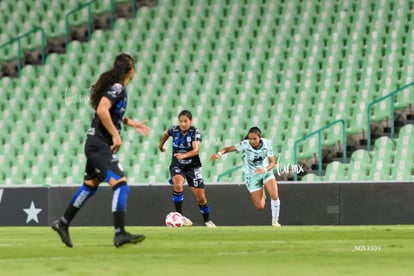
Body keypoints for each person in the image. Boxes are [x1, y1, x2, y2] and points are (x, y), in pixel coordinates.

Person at [52, 53, 150, 247]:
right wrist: (116, 135)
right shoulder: (117, 88)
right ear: (131, 71)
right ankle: (119, 233)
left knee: (89, 186)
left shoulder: (115, 88)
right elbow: (102, 110)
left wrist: (132, 123)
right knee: (121, 185)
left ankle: (62, 223)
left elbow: (112, 113)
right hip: (99, 145)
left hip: (94, 143)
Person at [210, 127, 281, 226]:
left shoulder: (267, 143)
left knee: (275, 195)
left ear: (260, 138)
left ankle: (275, 221)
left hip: (265, 172)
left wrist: (264, 169)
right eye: (250, 139)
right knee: (260, 206)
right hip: (251, 176)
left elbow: (273, 162)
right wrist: (219, 153)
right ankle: (262, 188)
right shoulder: (245, 144)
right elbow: (228, 149)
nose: (252, 141)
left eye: (254, 139)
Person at [159, 110, 216, 227]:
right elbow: (166, 134)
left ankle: (207, 220)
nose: (183, 124)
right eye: (181, 121)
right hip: (177, 164)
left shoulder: (195, 132)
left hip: (192, 167)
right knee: (178, 184)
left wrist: (183, 155)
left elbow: (196, 150)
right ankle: (179, 216)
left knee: (201, 197)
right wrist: (161, 146)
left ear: (190, 121)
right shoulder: (173, 130)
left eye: (185, 121)